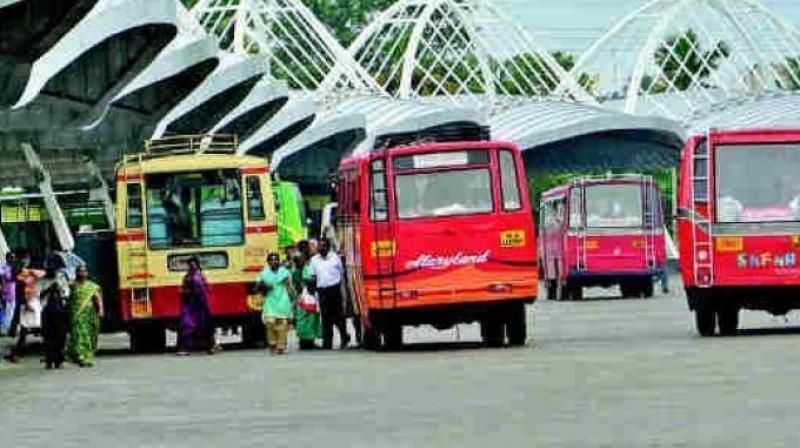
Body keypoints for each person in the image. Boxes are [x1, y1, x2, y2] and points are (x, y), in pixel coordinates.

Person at [310, 238, 350, 350]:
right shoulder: (314, 260)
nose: (321, 248)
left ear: (328, 247)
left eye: (323, 246)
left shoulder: (335, 258)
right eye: (320, 246)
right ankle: (327, 343)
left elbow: (342, 272)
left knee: (339, 317)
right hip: (322, 291)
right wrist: (312, 288)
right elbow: (313, 276)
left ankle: (344, 337)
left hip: (334, 290)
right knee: (326, 318)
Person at [4, 260, 44, 363]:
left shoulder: (23, 279)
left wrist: (30, 271)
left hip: (28, 306)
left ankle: (17, 353)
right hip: (28, 306)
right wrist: (27, 304)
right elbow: (24, 295)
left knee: (23, 331)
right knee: (23, 331)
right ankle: (16, 353)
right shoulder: (24, 281)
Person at [37, 255, 71, 369]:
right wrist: (49, 288)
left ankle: (59, 360)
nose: (52, 271)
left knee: (61, 337)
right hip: (47, 312)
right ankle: (49, 360)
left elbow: (67, 295)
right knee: (48, 337)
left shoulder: (62, 279)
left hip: (60, 311)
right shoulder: (42, 281)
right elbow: (39, 296)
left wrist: (60, 288)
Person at [177, 257, 215, 356]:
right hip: (190, 304)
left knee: (204, 326)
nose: (192, 266)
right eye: (190, 264)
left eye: (194, 264)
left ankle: (210, 347)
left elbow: (206, 288)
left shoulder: (199, 276)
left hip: (200, 304)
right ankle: (185, 348)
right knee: (187, 326)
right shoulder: (188, 277)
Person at [67, 265, 104, 367]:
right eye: (80, 271)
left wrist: (100, 310)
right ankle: (80, 357)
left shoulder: (92, 286)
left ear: (87, 273)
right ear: (76, 273)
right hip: (75, 314)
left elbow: (97, 299)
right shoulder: (72, 285)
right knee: (77, 336)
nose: (82, 274)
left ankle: (87, 357)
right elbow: (68, 298)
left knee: (87, 336)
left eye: (84, 271)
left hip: (88, 314)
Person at [257, 252, 294, 354]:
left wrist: (293, 298)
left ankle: (281, 346)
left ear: (279, 261)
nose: (274, 262)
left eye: (276, 260)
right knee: (270, 322)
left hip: (283, 300)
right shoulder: (264, 273)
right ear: (268, 262)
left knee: (282, 324)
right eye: (271, 260)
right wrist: (263, 286)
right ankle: (272, 343)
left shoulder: (284, 272)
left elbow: (289, 286)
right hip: (270, 301)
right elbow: (257, 287)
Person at [292, 241, 321, 350]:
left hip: (306, 292)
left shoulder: (307, 260)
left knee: (308, 317)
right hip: (306, 292)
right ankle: (306, 341)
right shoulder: (303, 261)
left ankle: (307, 340)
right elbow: (300, 278)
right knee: (308, 317)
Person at [0, 251, 17, 336]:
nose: (14, 260)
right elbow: (9, 278)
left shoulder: (3, 267)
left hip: (6, 293)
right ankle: (5, 330)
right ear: (9, 259)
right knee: (9, 312)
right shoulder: (7, 269)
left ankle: (4, 328)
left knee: (4, 311)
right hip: (9, 294)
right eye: (13, 258)